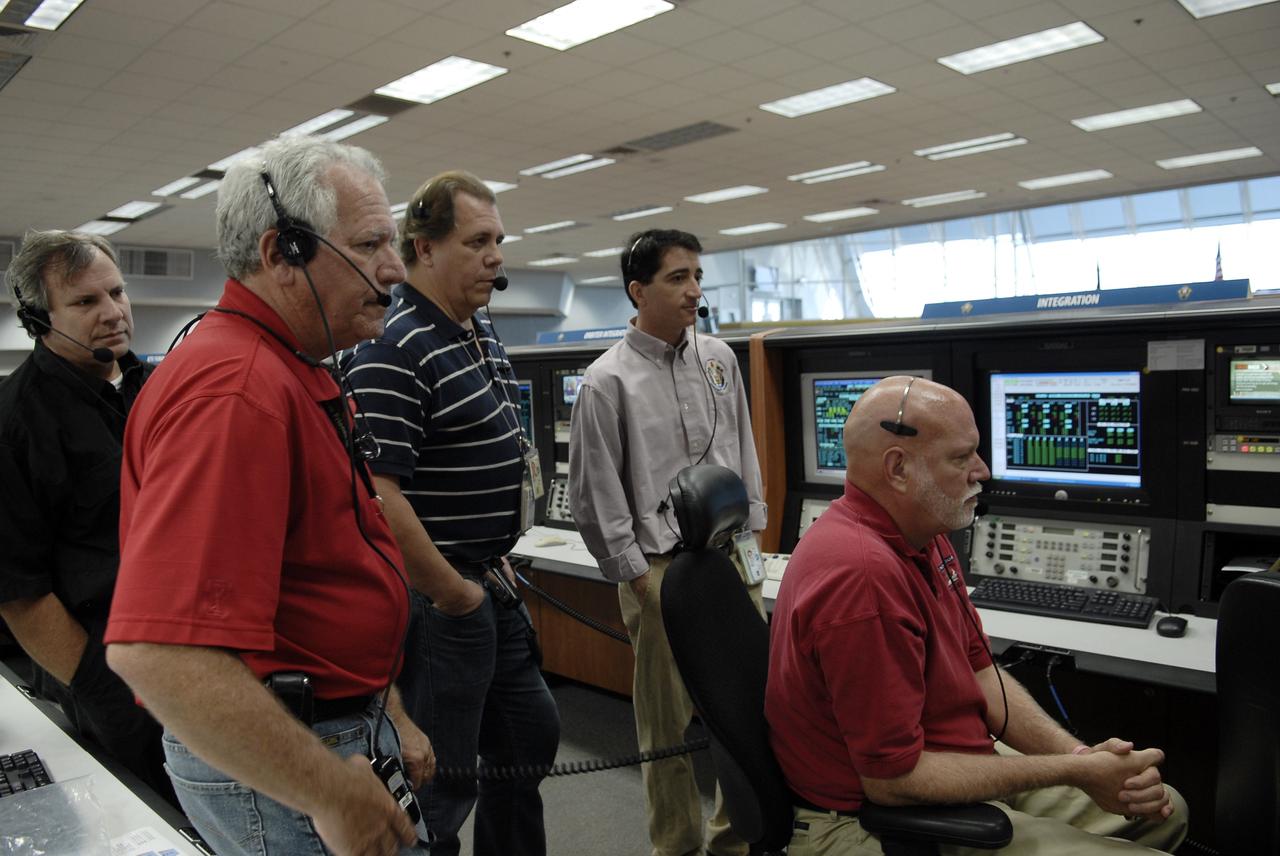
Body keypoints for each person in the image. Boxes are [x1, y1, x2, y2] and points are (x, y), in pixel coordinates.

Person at [104, 135, 434, 856]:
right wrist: (325, 788)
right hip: (288, 763)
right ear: (282, 251)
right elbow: (156, 651)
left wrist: (388, 711)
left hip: (333, 728)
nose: (395, 270)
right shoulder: (238, 391)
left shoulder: (289, 366)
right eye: (372, 244)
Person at [766, 376, 1189, 855]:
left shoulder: (923, 531)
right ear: (898, 468)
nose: (982, 471)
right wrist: (1078, 773)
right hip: (871, 818)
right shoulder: (861, 577)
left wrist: (1080, 756)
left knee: (1164, 811)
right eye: (961, 457)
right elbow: (893, 780)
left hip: (948, 761)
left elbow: (979, 670)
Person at [342, 170, 560, 856]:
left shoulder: (474, 330)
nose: (496, 255)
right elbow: (380, 493)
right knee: (442, 784)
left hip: (491, 582)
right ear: (424, 249)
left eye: (498, 239)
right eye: (476, 241)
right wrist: (452, 592)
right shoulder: (393, 341)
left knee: (527, 742)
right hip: (444, 601)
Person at [568, 229, 767, 856]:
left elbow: (743, 448)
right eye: (677, 278)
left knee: (750, 714)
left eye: (697, 276)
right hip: (660, 568)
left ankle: (736, 840)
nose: (694, 291)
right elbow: (595, 491)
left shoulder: (720, 359)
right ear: (638, 290)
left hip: (733, 559)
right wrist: (635, 577)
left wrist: (755, 535)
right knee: (666, 727)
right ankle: (676, 846)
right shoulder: (607, 382)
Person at [0, 229, 170, 797]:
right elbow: (19, 591)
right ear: (36, 317)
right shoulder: (17, 421)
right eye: (85, 302)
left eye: (116, 293)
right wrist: (98, 687)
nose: (113, 312)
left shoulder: (155, 389)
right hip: (107, 675)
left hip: (192, 653)